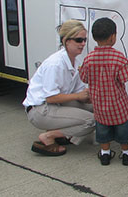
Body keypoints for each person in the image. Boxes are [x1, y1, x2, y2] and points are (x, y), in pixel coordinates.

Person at [23, 20, 95, 156]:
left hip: (56, 104)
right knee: (90, 121)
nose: (83, 44)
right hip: (40, 110)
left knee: (97, 110)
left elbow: (79, 93)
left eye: (84, 40)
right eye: (79, 40)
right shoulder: (55, 64)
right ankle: (49, 137)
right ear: (66, 41)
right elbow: (50, 97)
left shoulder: (76, 62)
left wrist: (91, 97)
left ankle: (61, 133)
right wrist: (79, 96)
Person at [79, 17, 128, 166]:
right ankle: (126, 154)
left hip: (99, 105)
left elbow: (84, 78)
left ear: (93, 37)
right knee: (123, 130)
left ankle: (105, 154)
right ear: (113, 37)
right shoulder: (119, 58)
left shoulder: (88, 59)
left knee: (102, 130)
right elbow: (124, 78)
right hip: (118, 105)